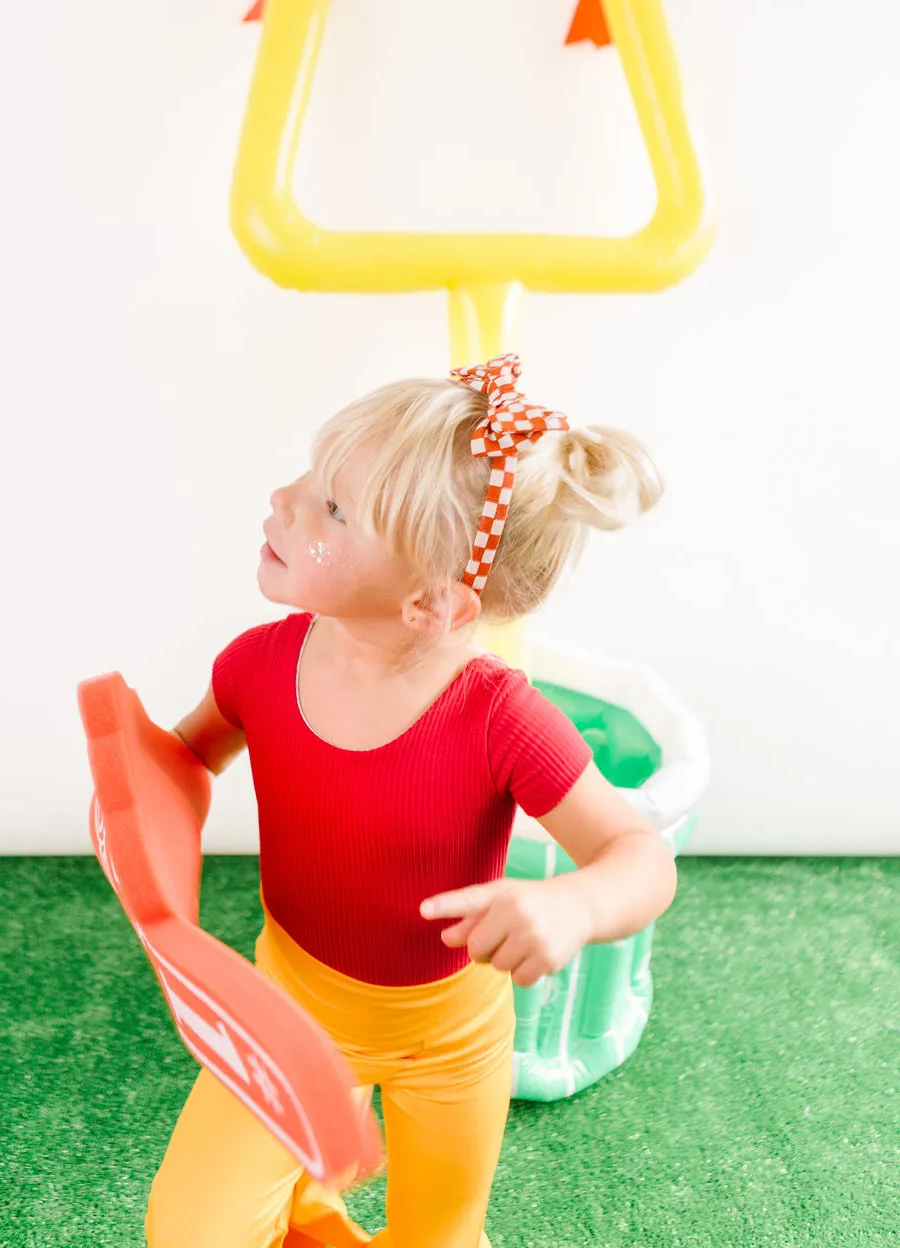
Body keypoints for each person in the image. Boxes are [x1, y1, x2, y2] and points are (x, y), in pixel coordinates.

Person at [144, 353, 678, 1248]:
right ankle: (306, 1212)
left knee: (440, 1239)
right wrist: (132, 810)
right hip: (291, 1007)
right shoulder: (256, 666)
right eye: (311, 476)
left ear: (432, 603)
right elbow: (183, 761)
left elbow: (641, 855)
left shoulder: (504, 719)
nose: (283, 499)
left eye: (332, 508)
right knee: (188, 1234)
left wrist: (575, 903)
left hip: (453, 1041)